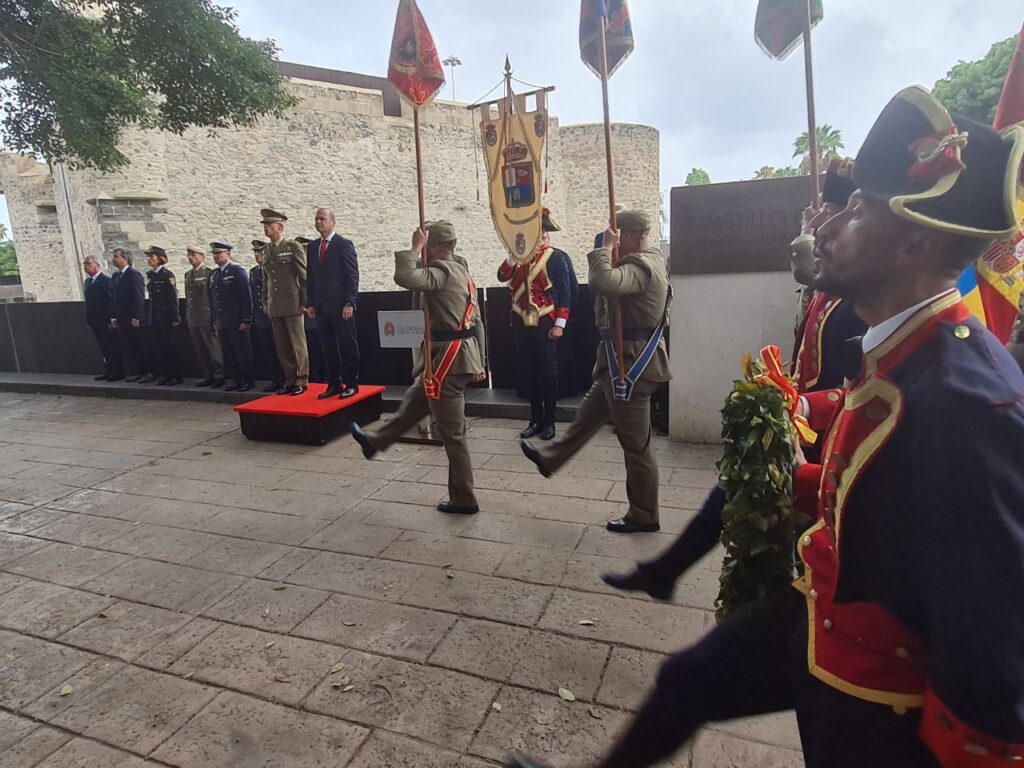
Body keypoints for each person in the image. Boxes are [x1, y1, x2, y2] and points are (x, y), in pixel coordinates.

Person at [508, 85, 1024, 768]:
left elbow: (989, 656)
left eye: (858, 211)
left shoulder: (971, 405)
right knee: (685, 681)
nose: (828, 228)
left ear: (916, 244)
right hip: (821, 612)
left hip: (877, 687)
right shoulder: (906, 348)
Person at [603, 159, 866, 600]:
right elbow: (810, 272)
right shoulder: (832, 290)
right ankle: (667, 572)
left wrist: (805, 406)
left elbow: (864, 388)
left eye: (839, 215)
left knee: (793, 536)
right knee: (741, 493)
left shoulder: (862, 299)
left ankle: (678, 575)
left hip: (836, 442)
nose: (818, 226)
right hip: (810, 424)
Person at [521, 209, 671, 534]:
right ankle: (551, 459)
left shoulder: (641, 265)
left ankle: (644, 515)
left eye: (616, 235)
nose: (611, 239)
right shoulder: (651, 258)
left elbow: (602, 282)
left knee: (637, 446)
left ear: (629, 236)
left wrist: (604, 249)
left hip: (631, 365)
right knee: (587, 417)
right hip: (617, 361)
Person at [351, 221, 486, 515]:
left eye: (427, 246)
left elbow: (405, 276)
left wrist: (414, 248)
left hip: (449, 360)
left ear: (433, 247)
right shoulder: (462, 270)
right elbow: (478, 322)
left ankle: (464, 499)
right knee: (414, 403)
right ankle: (375, 441)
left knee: (453, 434)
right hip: (454, 357)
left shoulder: (442, 271)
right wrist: (481, 359)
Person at [497, 208, 574, 441]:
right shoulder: (518, 257)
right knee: (528, 373)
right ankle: (535, 420)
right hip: (521, 321)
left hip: (546, 322)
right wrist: (513, 253)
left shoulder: (556, 257)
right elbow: (502, 276)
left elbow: (566, 293)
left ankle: (549, 421)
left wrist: (560, 324)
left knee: (548, 375)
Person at [305, 208, 360, 399]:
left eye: (323, 219)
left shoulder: (343, 244)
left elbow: (352, 275)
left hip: (341, 306)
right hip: (321, 306)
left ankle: (351, 383)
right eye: (316, 219)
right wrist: (311, 303)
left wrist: (350, 302)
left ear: (333, 222)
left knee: (347, 345)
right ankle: (334, 383)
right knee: (328, 347)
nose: (319, 222)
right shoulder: (312, 247)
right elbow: (311, 277)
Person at [260, 208, 309, 396]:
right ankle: (289, 379)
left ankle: (301, 379)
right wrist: (265, 300)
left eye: (269, 225)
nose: (266, 228)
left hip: (292, 302)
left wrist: (305, 302)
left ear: (280, 227)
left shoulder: (292, 247)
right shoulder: (266, 250)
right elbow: (266, 279)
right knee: (282, 346)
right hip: (275, 304)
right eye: (265, 225)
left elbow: (303, 276)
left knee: (297, 343)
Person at [209, 242, 255, 392]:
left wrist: (246, 319)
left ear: (228, 254)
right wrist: (215, 319)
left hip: (236, 320)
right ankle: (236, 380)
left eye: (219, 253)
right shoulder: (215, 274)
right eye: (214, 254)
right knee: (229, 353)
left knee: (242, 353)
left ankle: (248, 380)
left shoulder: (236, 271)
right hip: (223, 321)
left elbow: (246, 297)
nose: (217, 256)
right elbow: (215, 299)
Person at [183, 245, 225, 388]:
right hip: (193, 316)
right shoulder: (188, 275)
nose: (191, 258)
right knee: (200, 349)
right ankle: (208, 375)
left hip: (206, 316)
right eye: (189, 255)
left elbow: (213, 297)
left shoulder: (208, 273)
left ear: (202, 257)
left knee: (213, 348)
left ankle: (219, 375)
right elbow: (189, 298)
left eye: (194, 255)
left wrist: (214, 318)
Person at [142, 246, 183, 386]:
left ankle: (175, 375)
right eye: (148, 257)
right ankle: (163, 374)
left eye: (152, 257)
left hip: (166, 316)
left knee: (169, 347)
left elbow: (172, 297)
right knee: (158, 347)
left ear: (160, 258)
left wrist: (175, 317)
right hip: (155, 316)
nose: (149, 259)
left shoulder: (167, 275)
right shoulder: (151, 275)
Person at [249, 240, 283, 393]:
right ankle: (275, 380)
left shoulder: (273, 269)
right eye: (256, 252)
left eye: (260, 252)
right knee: (269, 351)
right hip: (261, 317)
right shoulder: (254, 271)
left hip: (275, 315)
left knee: (280, 350)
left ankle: (285, 380)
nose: (258, 255)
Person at [83, 255, 122, 381]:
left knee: (111, 346)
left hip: (105, 320)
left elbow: (111, 301)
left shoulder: (105, 281)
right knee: (103, 347)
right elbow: (89, 303)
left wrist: (112, 318)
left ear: (97, 265)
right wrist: (89, 320)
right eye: (84, 264)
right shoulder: (88, 282)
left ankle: (117, 371)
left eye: (88, 263)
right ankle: (108, 369)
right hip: (95, 321)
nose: (85, 266)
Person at [109, 248, 146, 382]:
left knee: (136, 344)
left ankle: (141, 371)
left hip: (131, 317)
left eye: (116, 256)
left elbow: (138, 296)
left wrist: (137, 316)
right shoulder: (116, 276)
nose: (114, 259)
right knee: (126, 345)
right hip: (121, 317)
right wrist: (113, 316)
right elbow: (113, 298)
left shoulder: (133, 275)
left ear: (125, 258)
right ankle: (131, 371)